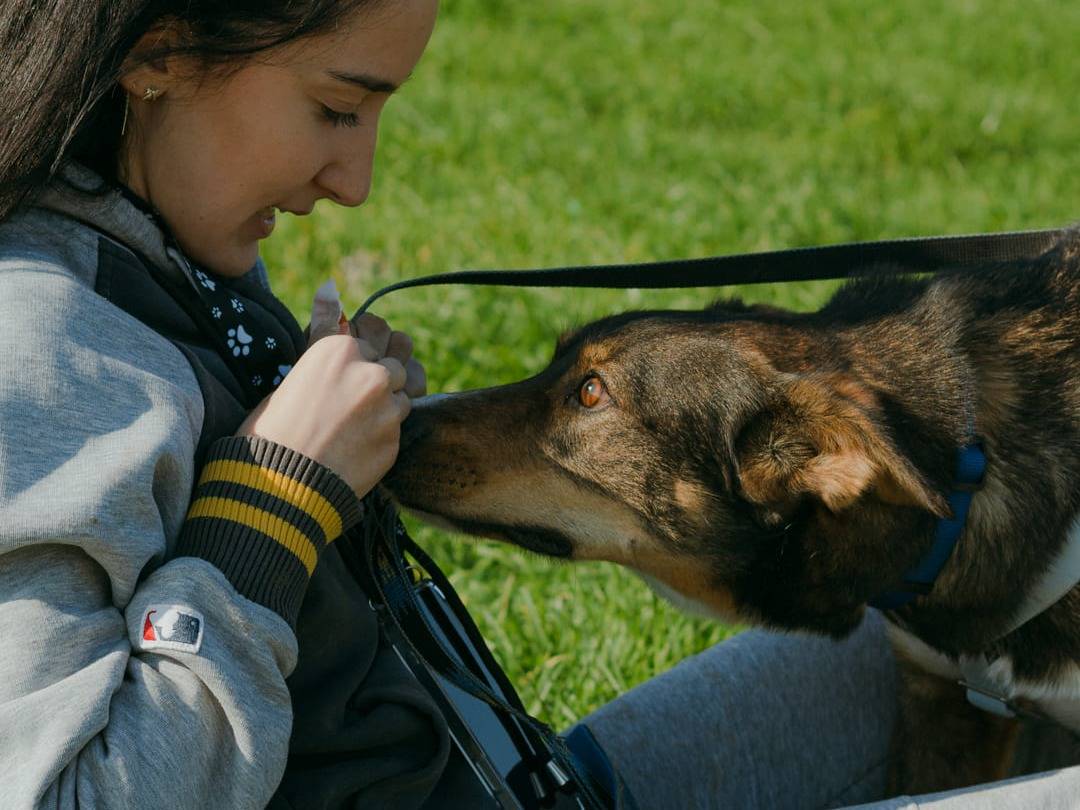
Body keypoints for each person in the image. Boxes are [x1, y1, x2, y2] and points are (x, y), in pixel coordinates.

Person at [2, 1, 1079, 808]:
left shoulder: (163, 252)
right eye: (336, 107)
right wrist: (274, 501)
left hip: (539, 783)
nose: (357, 179)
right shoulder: (46, 345)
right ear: (159, 50)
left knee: (930, 614)